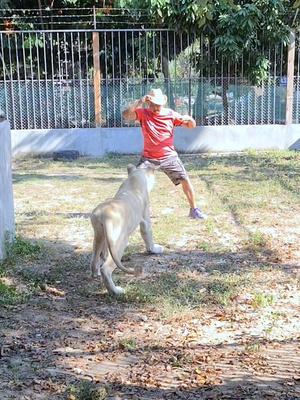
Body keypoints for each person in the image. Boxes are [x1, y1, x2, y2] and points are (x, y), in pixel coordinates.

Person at [122, 88, 207, 219]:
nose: (156, 108)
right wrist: (139, 102)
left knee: (185, 179)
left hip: (169, 156)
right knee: (135, 182)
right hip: (148, 157)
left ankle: (194, 209)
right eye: (153, 105)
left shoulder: (171, 114)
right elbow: (126, 114)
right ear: (148, 103)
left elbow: (191, 126)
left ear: (163, 103)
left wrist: (189, 118)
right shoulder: (143, 113)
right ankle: (131, 211)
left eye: (158, 105)